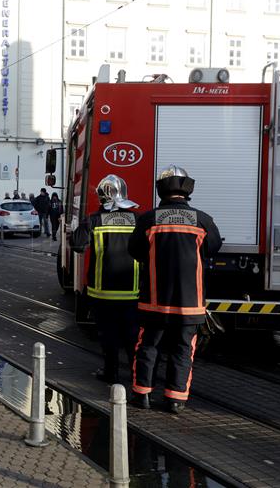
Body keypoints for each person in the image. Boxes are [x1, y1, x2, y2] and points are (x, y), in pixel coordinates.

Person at [128, 165, 222, 414]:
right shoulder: (203, 220)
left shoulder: (148, 219)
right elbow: (213, 248)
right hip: (190, 302)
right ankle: (175, 399)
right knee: (183, 349)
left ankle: (142, 395)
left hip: (153, 300)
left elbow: (135, 251)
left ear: (161, 190)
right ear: (186, 190)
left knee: (148, 346)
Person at [71, 175, 140, 385]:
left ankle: (111, 373)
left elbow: (77, 245)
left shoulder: (93, 219)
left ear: (101, 196)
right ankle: (138, 375)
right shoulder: (138, 219)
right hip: (133, 291)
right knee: (132, 337)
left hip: (102, 292)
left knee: (108, 336)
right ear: (125, 194)